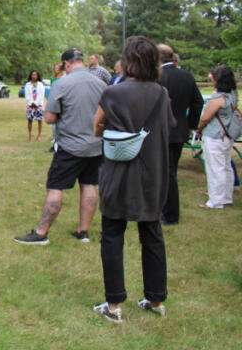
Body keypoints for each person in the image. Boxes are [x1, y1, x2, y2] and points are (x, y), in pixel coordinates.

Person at [92, 36, 174, 323]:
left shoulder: (114, 93)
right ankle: (156, 299)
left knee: (112, 235)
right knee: (152, 236)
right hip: (153, 174)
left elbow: (96, 126)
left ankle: (114, 305)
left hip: (119, 174)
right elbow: (170, 127)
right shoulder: (162, 95)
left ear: (127, 61)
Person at [13, 49, 105, 245]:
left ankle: (41, 233)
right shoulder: (101, 83)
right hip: (95, 145)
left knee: (55, 186)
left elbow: (49, 118)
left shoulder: (62, 83)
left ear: (66, 64)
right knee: (89, 185)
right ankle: (83, 231)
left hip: (71, 146)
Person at [157, 44, 203, 224]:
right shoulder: (187, 76)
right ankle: (165, 209)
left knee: (166, 173)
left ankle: (170, 214)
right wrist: (190, 124)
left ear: (159, 59)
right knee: (170, 170)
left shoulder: (158, 77)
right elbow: (197, 102)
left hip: (163, 129)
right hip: (181, 128)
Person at [196, 65, 238, 209]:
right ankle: (226, 196)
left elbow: (205, 117)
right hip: (226, 135)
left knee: (215, 169)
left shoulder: (218, 98)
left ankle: (216, 201)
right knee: (225, 167)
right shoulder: (233, 94)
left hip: (215, 136)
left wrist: (199, 129)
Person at [24, 70, 45, 141]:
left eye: (35, 75)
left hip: (39, 104)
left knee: (39, 120)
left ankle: (39, 135)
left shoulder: (40, 85)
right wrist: (31, 103)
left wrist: (36, 103)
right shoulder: (27, 85)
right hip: (30, 105)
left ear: (38, 76)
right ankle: (30, 135)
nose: (34, 76)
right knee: (30, 120)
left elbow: (41, 95)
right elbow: (27, 95)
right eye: (32, 75)